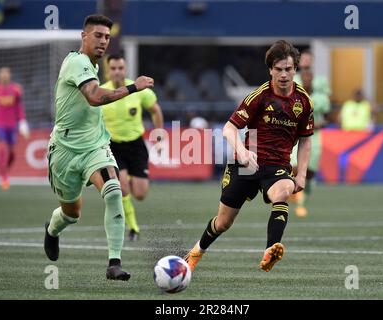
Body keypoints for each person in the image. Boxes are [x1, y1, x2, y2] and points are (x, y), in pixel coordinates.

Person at [184, 40, 313, 273]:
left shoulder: (303, 101)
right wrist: (242, 153)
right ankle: (195, 253)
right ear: (270, 70)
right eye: (278, 69)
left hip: (277, 166)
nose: (284, 74)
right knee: (223, 222)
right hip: (245, 165)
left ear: (295, 69)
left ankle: (270, 249)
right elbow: (229, 128)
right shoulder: (259, 97)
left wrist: (301, 174)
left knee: (283, 190)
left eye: (288, 69)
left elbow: (305, 139)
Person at [43, 14, 154, 281]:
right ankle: (52, 230)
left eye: (107, 37)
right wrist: (133, 87)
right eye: (98, 35)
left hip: (94, 147)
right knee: (71, 214)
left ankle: (114, 263)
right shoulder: (76, 62)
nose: (103, 41)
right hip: (65, 151)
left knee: (114, 190)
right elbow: (94, 98)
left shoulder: (91, 66)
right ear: (84, 36)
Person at [101, 54, 164, 241]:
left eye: (120, 68)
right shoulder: (101, 92)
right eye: (113, 68)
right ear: (107, 70)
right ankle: (133, 228)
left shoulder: (139, 90)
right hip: (113, 147)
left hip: (136, 145)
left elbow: (155, 110)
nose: (117, 72)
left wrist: (159, 135)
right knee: (122, 188)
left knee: (140, 194)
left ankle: (128, 177)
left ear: (125, 68)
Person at [289, 51, 331, 217]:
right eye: (304, 77)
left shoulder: (321, 98)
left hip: (315, 135)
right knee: (293, 166)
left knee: (310, 171)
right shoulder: (295, 92)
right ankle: (291, 192)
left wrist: (319, 123)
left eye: (309, 77)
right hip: (297, 134)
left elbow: (327, 117)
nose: (306, 79)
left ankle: (302, 203)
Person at [0, 67, 29, 190]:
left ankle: (5, 168)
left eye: (6, 74)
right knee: (2, 149)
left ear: (9, 76)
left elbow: (19, 108)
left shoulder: (16, 90)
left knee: (12, 154)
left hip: (12, 126)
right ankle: (3, 176)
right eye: (2, 74)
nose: (4, 76)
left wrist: (23, 123)